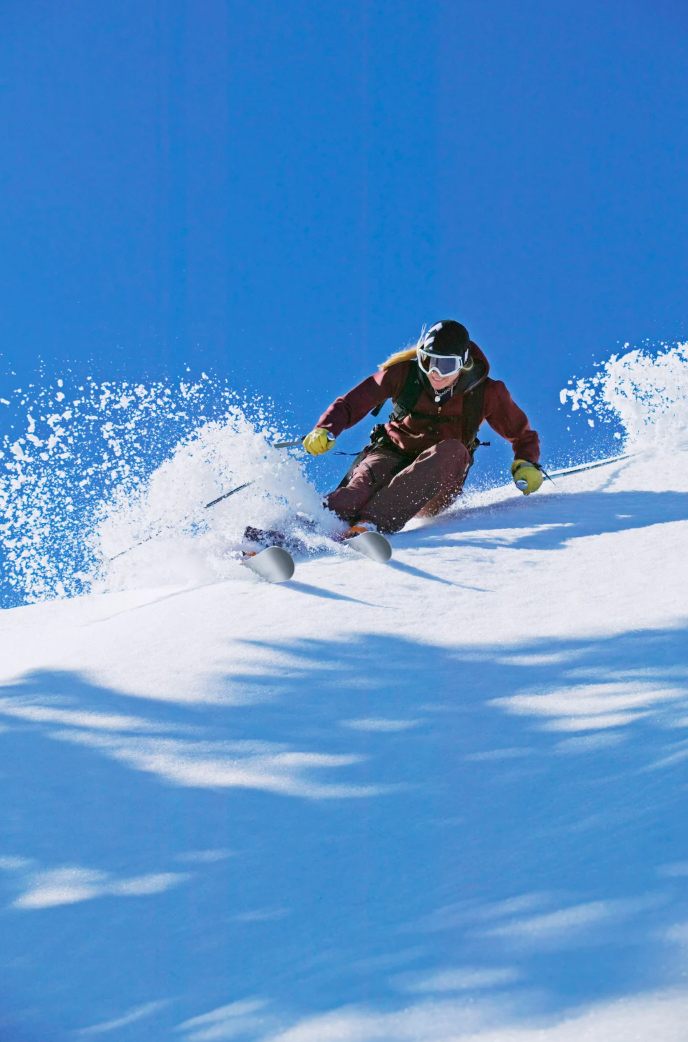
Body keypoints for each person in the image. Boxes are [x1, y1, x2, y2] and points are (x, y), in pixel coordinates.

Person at [301, 320, 543, 535]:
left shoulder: (486, 392)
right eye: (429, 361)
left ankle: (369, 525)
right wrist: (326, 428)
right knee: (353, 495)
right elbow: (352, 402)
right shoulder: (404, 374)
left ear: (463, 364)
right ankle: (296, 528)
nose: (435, 373)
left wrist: (526, 462)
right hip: (390, 453)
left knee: (453, 450)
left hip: (437, 478)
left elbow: (522, 435)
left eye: (446, 366)